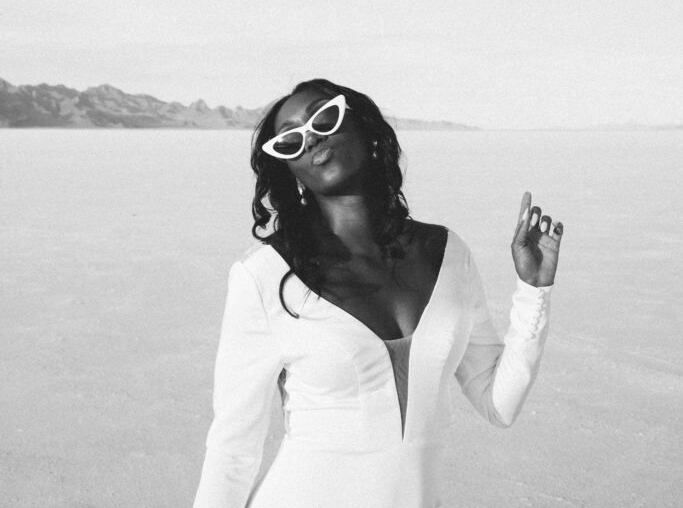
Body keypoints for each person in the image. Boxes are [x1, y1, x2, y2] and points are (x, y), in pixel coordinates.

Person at [192, 79, 563, 508]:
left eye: (324, 118)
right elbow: (232, 449)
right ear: (290, 170)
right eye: (290, 140)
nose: (311, 138)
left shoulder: (447, 254)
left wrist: (534, 291)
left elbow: (498, 403)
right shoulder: (263, 277)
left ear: (365, 127)